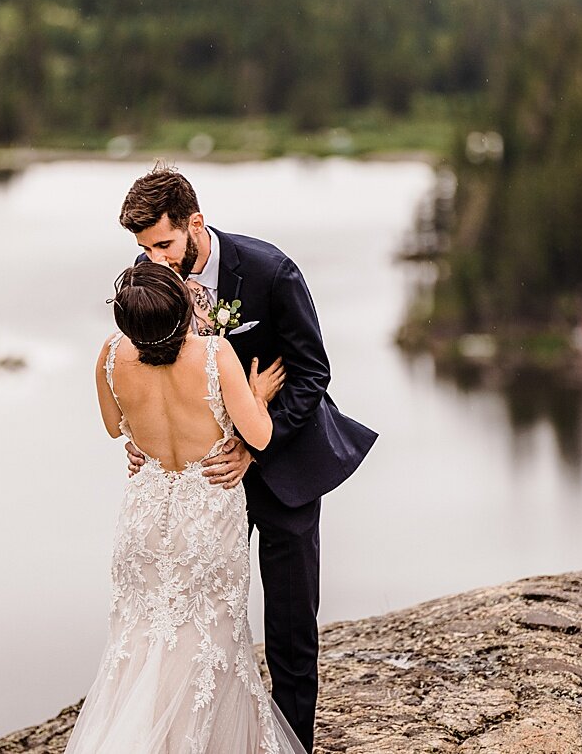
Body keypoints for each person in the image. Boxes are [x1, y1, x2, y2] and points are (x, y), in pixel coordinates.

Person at [117, 165, 378, 748]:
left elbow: (312, 373)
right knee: (197, 626)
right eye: (143, 248)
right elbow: (146, 366)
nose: (153, 261)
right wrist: (141, 433)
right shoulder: (147, 276)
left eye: (163, 243)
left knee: (288, 629)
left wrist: (255, 448)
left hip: (281, 470)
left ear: (195, 225)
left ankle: (294, 747)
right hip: (202, 486)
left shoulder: (269, 270)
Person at [66, 262, 302, 753]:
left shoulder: (110, 355)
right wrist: (257, 395)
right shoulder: (215, 355)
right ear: (181, 310)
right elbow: (259, 435)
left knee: (141, 640)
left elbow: (115, 428)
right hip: (206, 514)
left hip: (147, 514)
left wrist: (142, 436)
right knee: (208, 643)